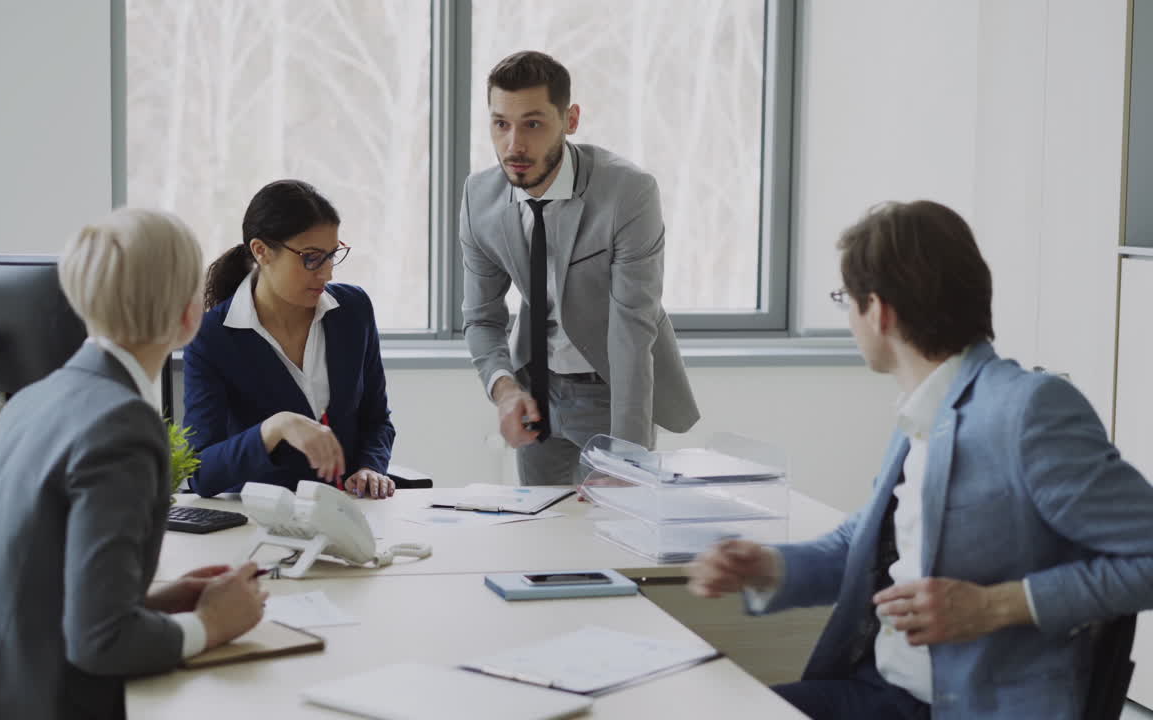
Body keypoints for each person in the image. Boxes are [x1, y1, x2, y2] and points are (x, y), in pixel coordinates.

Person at [687, 200, 1153, 719]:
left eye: (847, 300)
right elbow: (863, 548)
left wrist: (994, 606)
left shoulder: (1027, 410)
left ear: (879, 311)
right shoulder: (924, 412)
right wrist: (766, 567)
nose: (849, 318)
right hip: (886, 692)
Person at [0, 209, 267, 720]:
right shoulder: (124, 425)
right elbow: (101, 643)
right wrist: (211, 626)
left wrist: (161, 604)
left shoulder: (30, 401)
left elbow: (43, 599)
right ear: (189, 318)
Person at [460, 50, 699, 486]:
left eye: (533, 123)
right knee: (540, 533)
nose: (514, 145)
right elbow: (481, 317)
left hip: (611, 389)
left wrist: (628, 458)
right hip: (535, 386)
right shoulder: (480, 198)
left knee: (616, 531)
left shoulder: (628, 193)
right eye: (501, 124)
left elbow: (632, 327)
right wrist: (505, 389)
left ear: (570, 120)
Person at [183, 179, 395, 499]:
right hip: (262, 522)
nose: (326, 274)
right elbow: (201, 471)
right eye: (311, 258)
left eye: (331, 255)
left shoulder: (353, 311)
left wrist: (370, 467)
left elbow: (376, 420)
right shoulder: (212, 337)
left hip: (350, 512)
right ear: (261, 251)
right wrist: (275, 428)